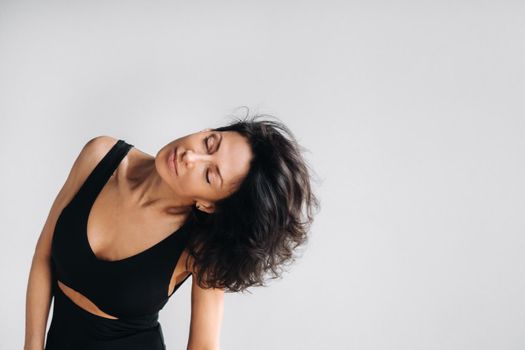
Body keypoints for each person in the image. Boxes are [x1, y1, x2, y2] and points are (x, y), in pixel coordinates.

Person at [24, 113, 319, 350]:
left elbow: (204, 345)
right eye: (210, 143)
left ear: (209, 205)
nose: (191, 157)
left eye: (209, 175)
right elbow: (44, 254)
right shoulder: (101, 155)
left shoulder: (201, 248)